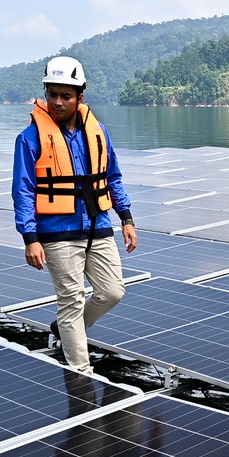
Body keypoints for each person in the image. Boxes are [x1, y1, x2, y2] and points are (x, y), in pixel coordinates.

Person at [12, 56, 137, 368]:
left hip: (98, 224)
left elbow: (113, 177)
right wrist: (30, 237)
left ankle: (67, 329)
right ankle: (82, 376)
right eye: (52, 94)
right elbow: (23, 190)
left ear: (80, 97)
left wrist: (127, 218)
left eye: (65, 96)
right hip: (56, 232)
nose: (57, 102)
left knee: (112, 292)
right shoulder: (29, 139)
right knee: (71, 301)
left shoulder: (98, 132)